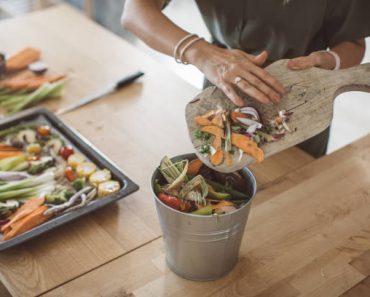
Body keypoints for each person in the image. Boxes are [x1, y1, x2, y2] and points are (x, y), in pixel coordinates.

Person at [121, 0, 370, 158]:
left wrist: (327, 62)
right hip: (223, 88)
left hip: (302, 102)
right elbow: (135, 11)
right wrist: (202, 53)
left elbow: (353, 43)